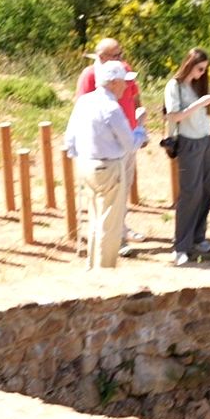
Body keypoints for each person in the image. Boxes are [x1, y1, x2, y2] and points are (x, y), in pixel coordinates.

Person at [63, 59, 136, 269]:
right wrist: (140, 129)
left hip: (86, 165)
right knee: (110, 225)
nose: (126, 86)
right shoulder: (112, 108)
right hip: (108, 167)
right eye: (123, 81)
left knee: (95, 219)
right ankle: (104, 273)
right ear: (113, 82)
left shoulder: (84, 102)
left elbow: (70, 139)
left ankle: (92, 265)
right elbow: (129, 143)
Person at [77, 38, 145, 245]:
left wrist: (139, 125)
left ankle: (120, 228)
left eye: (121, 53)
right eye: (117, 55)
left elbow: (134, 96)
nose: (122, 59)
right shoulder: (90, 75)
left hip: (128, 137)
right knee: (107, 192)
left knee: (124, 186)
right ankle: (110, 237)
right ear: (101, 57)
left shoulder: (123, 69)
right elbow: (81, 107)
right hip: (106, 144)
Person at [163, 48, 210, 266]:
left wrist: (206, 101)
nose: (202, 73)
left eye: (205, 69)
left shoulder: (198, 84)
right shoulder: (174, 86)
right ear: (189, 64)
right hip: (188, 141)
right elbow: (174, 115)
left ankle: (198, 236)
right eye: (199, 68)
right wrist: (201, 103)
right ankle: (181, 246)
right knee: (190, 193)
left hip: (206, 139)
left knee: (208, 189)